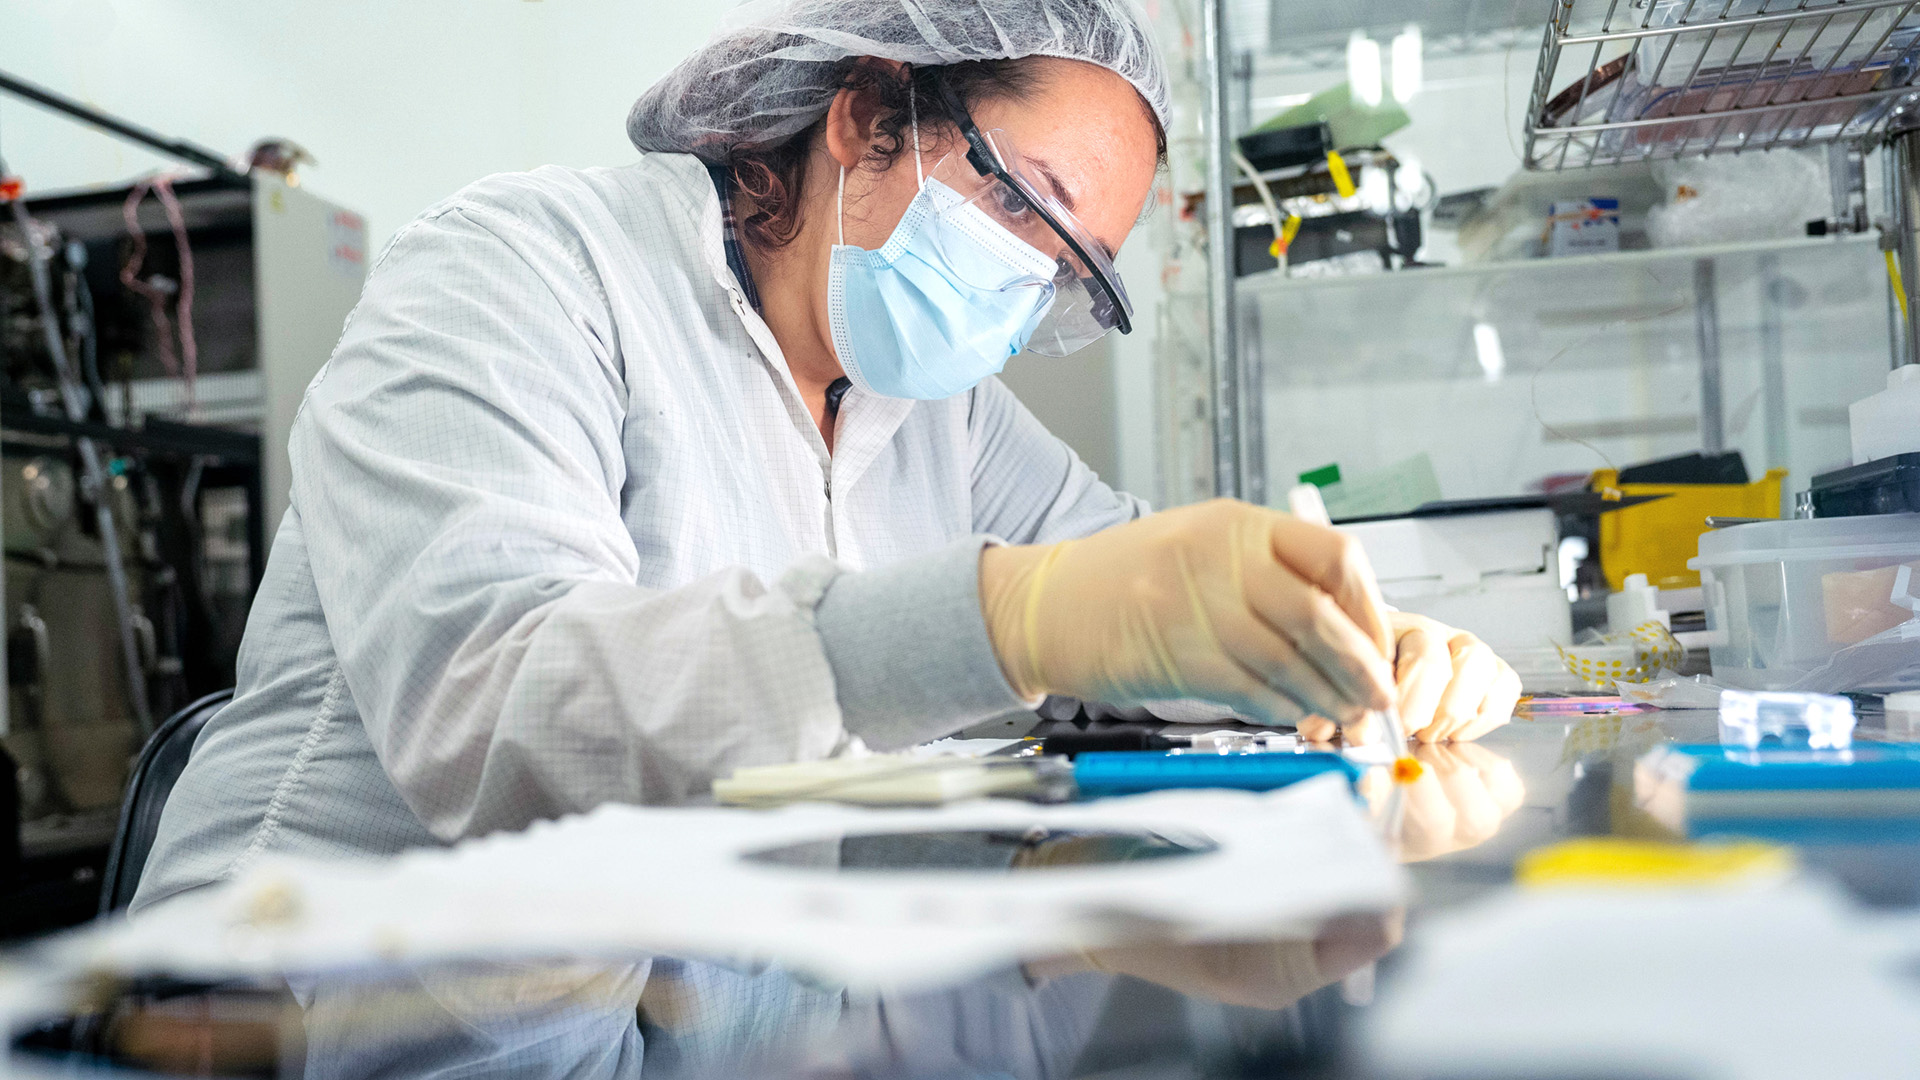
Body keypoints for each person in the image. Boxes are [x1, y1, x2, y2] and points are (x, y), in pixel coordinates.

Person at [133, 0, 1519, 913]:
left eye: (1070, 273)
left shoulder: (935, 413)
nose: (1024, 288)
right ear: (868, 116)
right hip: (317, 1001)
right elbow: (500, 714)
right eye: (1022, 205)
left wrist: (1360, 636)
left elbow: (1151, 579)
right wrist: (1017, 615)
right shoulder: (519, 269)